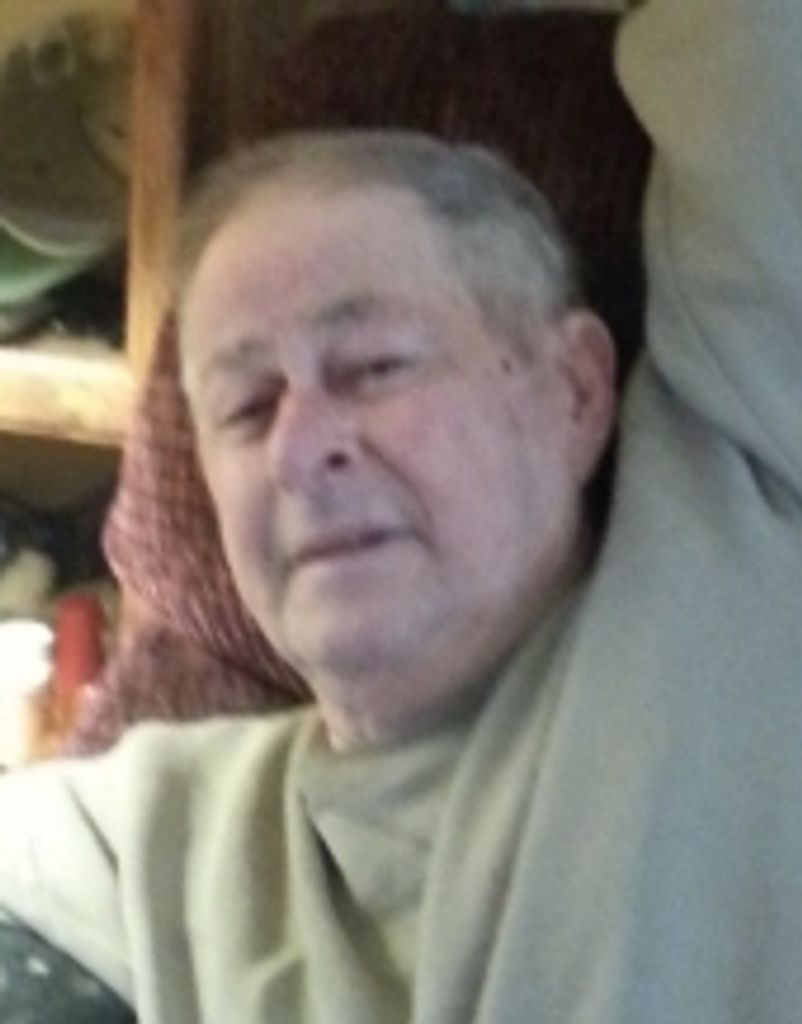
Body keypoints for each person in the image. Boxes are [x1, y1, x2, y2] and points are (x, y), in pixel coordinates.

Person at [2, 1, 802, 1022]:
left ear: (573, 391)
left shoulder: (733, 557)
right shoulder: (147, 840)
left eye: (375, 366)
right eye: (246, 405)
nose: (298, 451)